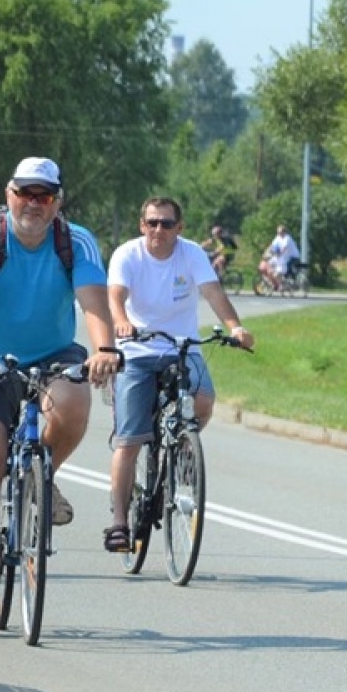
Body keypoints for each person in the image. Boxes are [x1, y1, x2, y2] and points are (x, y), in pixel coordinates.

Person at [104, 197, 254, 553]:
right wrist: (122, 321)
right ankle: (119, 523)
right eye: (152, 223)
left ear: (179, 228)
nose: (159, 230)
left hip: (182, 348)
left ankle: (181, 448)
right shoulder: (128, 254)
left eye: (167, 224)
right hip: (137, 350)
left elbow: (213, 292)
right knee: (128, 442)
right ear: (142, 225)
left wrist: (235, 327)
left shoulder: (191, 255)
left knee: (203, 401)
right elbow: (115, 295)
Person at [0, 157, 120, 541]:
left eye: (45, 196)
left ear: (57, 203)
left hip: (53, 354)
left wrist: (105, 349)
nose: (34, 203)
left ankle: (40, 475)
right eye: (25, 193)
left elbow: (94, 302)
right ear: (8, 195)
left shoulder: (75, 241)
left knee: (74, 403)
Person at [257, 224, 299, 293]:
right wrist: (266, 253)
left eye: (279, 232)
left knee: (286, 269)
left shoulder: (287, 238)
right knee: (270, 264)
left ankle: (288, 283)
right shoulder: (278, 237)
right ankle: (275, 282)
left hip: (293, 256)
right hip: (283, 256)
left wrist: (279, 254)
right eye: (278, 232)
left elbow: (284, 248)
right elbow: (272, 246)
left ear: (284, 232)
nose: (278, 233)